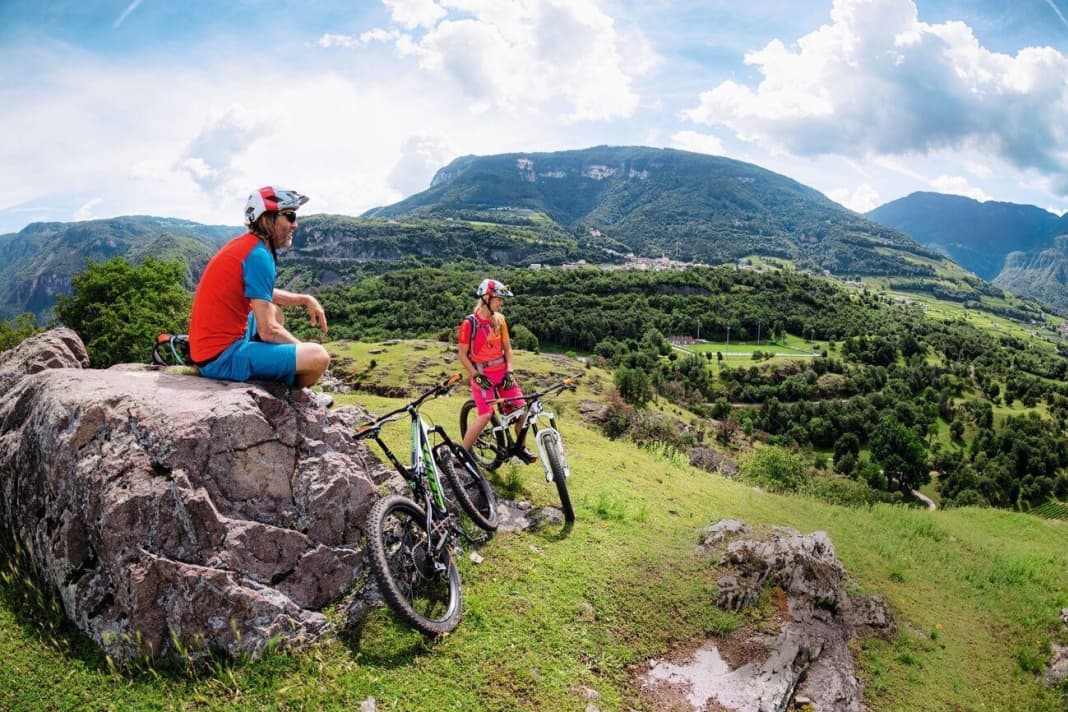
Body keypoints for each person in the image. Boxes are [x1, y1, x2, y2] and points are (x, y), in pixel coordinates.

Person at [189, 186, 330, 389]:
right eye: (289, 216)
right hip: (220, 358)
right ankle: (292, 395)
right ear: (266, 219)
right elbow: (268, 332)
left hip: (209, 349)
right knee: (317, 357)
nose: (295, 225)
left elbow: (261, 293)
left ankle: (267, 366)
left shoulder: (248, 245)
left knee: (274, 310)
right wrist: (304, 353)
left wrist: (305, 298)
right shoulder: (259, 256)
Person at [458, 278, 536, 462]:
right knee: (485, 415)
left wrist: (509, 370)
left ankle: (520, 448)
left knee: (522, 411)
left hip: (502, 372)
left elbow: (507, 349)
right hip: (482, 374)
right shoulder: (470, 323)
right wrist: (475, 376)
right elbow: (462, 354)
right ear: (486, 297)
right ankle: (462, 454)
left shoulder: (500, 320)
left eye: (502, 299)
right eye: (498, 299)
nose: (501, 303)